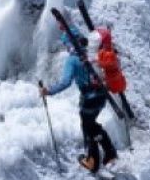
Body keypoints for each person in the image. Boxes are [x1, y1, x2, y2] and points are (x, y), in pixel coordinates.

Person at [40, 28, 118, 172]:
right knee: (92, 124)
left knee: (87, 128)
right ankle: (110, 153)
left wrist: (49, 91)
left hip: (89, 99)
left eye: (66, 44)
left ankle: (92, 162)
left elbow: (66, 82)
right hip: (102, 96)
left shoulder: (72, 60)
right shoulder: (92, 54)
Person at [93, 25, 136, 123]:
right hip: (117, 81)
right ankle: (129, 115)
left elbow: (107, 64)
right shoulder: (109, 52)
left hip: (113, 82)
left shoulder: (109, 56)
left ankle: (124, 115)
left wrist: (96, 62)